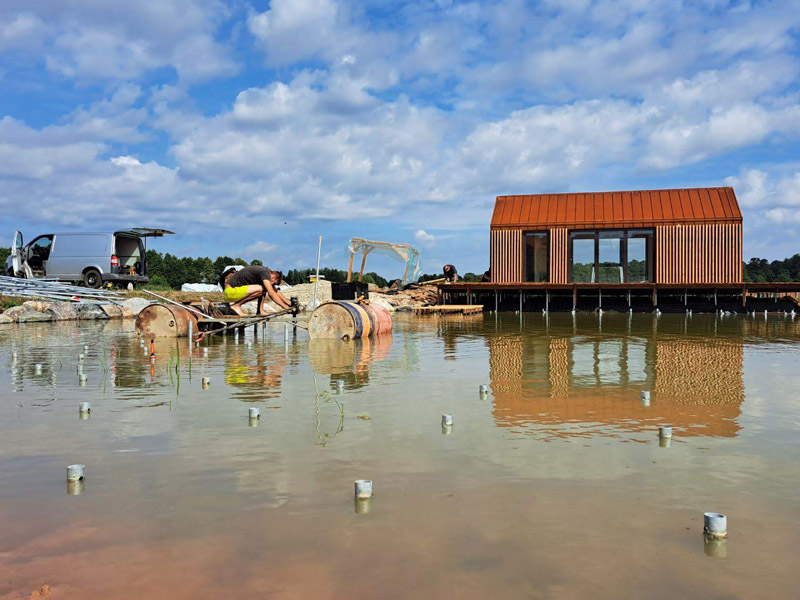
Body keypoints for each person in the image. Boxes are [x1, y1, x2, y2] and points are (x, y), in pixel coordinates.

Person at [219, 265, 291, 316]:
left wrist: (289, 303)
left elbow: (275, 291)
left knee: (263, 289)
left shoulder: (263, 273)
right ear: (273, 277)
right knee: (263, 288)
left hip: (232, 292)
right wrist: (286, 308)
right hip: (231, 292)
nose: (272, 285)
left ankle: (260, 311)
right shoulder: (265, 273)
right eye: (273, 283)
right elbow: (271, 293)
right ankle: (236, 306)